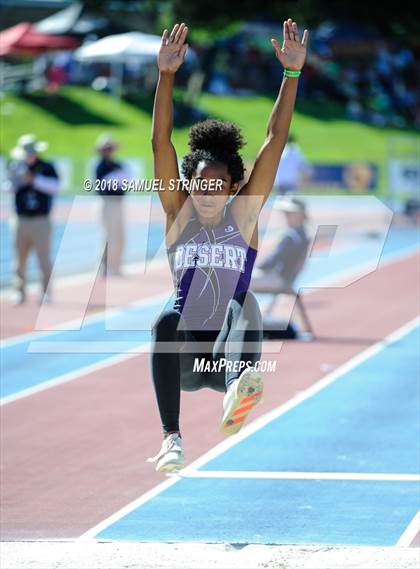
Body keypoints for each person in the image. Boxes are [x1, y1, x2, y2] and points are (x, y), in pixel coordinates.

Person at [148, 20, 308, 472]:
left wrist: (291, 75)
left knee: (245, 303)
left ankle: (239, 388)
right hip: (182, 358)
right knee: (163, 319)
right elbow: (160, 142)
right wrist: (166, 76)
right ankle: (171, 439)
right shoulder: (178, 215)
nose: (210, 191)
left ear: (235, 185)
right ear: (188, 185)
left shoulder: (244, 216)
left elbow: (274, 141)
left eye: (220, 184)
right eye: (201, 184)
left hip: (226, 355)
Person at [6, 134, 60, 305]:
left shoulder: (46, 167)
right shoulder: (15, 166)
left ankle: (46, 292)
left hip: (41, 220)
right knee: (19, 260)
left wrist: (34, 180)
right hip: (21, 219)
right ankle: (19, 292)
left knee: (43, 258)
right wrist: (18, 180)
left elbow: (54, 187)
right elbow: (8, 187)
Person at [251, 197, 310, 295]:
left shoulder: (291, 237)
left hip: (279, 279)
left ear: (300, 215)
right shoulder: (302, 234)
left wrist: (258, 268)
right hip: (285, 279)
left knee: (237, 282)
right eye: (285, 213)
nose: (286, 216)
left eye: (289, 213)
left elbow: (272, 261)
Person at [94, 134, 129, 276]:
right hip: (107, 202)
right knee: (109, 236)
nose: (109, 151)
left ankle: (116, 266)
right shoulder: (101, 166)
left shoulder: (117, 164)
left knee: (120, 236)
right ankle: (105, 268)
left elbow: (126, 179)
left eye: (110, 148)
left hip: (118, 202)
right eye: (106, 148)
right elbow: (107, 182)